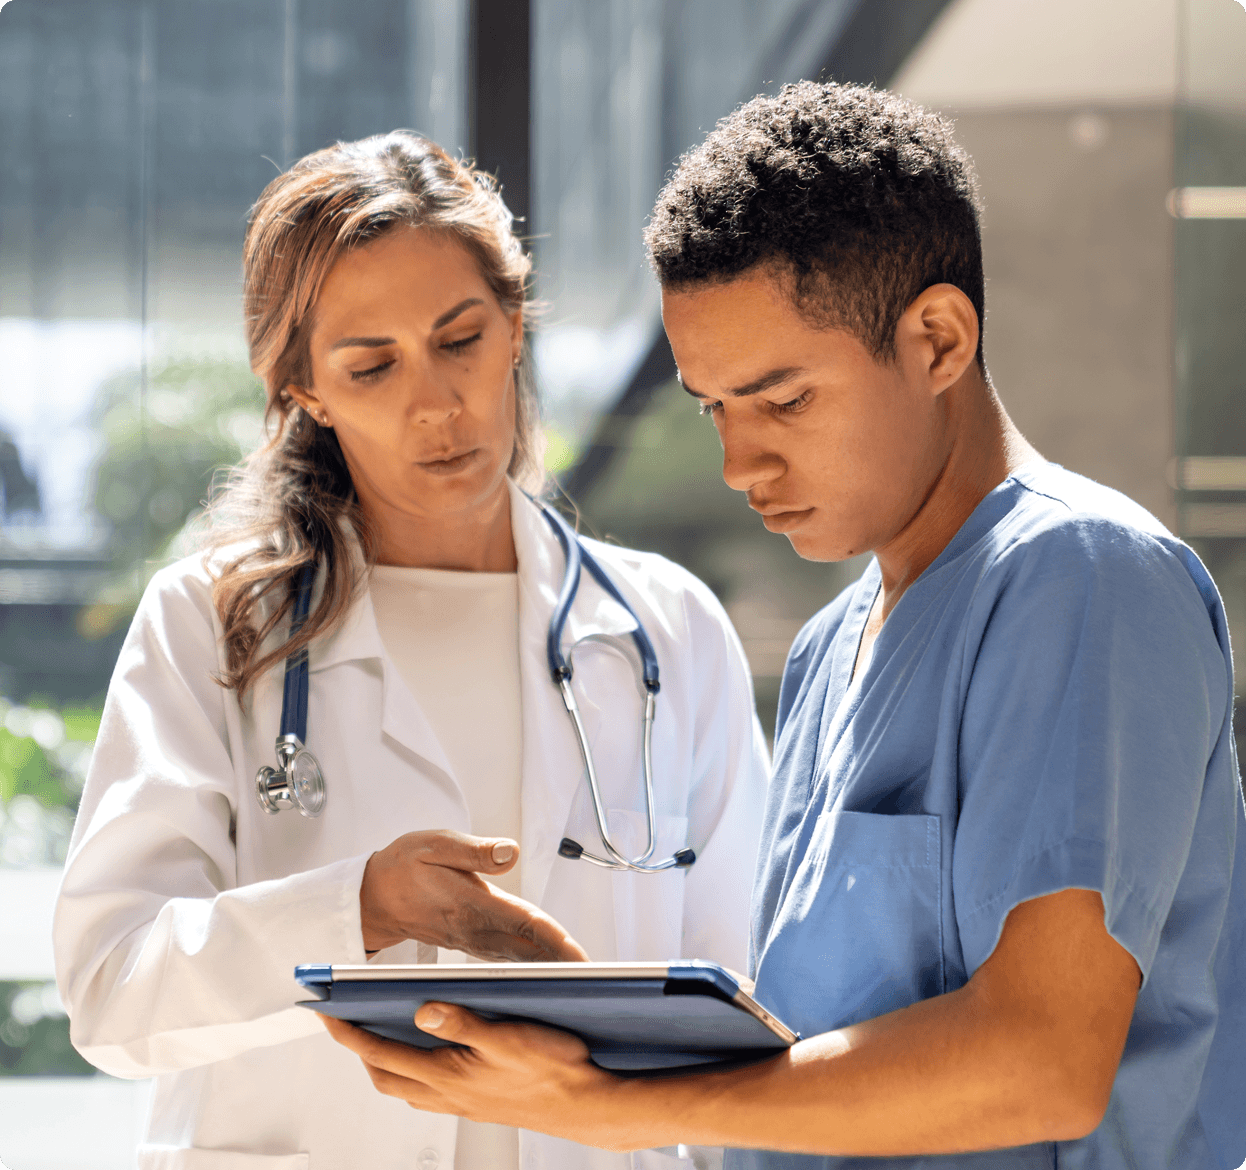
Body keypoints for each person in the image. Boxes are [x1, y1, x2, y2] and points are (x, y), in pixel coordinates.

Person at [322, 82, 1246, 1170]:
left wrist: (621, 1109)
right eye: (714, 406)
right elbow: (811, 1056)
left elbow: (1038, 1060)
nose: (737, 464)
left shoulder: (1080, 578)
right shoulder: (826, 650)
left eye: (784, 399)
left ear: (938, 339)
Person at [53, 131, 767, 1170]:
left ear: (514, 327)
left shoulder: (666, 632)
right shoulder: (213, 626)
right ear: (304, 390)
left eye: (460, 339)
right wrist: (360, 910)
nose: (435, 402)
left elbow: (742, 994)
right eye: (371, 365)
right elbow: (113, 991)